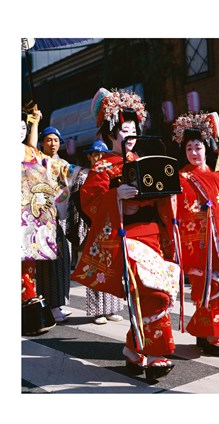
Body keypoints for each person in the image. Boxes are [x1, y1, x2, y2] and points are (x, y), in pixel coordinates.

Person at [72, 88, 180, 380]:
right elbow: (90, 203)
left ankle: (134, 349)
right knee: (151, 292)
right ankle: (157, 351)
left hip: (152, 236)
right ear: (109, 134)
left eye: (133, 130)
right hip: (126, 237)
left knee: (150, 292)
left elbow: (165, 201)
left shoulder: (147, 160)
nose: (129, 136)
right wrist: (116, 196)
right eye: (123, 130)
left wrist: (168, 194)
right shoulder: (103, 167)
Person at [172, 112, 219, 355]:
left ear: (207, 149)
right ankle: (214, 335)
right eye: (189, 148)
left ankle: (205, 333)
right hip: (199, 245)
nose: (194, 153)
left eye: (198, 147)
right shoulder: (181, 178)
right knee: (208, 289)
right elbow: (176, 209)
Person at [28, 126, 86, 322]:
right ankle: (51, 305)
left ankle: (56, 303)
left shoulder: (62, 163)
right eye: (48, 140)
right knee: (48, 263)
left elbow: (76, 179)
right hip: (43, 218)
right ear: (42, 143)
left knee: (61, 260)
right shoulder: (38, 160)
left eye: (55, 140)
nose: (52, 143)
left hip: (61, 218)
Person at [66, 139, 124, 325]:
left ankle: (112, 308)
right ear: (90, 156)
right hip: (93, 223)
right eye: (96, 154)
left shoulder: (112, 170)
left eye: (102, 154)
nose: (99, 157)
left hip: (111, 222)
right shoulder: (84, 175)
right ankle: (97, 311)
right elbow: (79, 204)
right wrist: (85, 224)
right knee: (96, 267)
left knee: (113, 264)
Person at [21, 105, 57, 334]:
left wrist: (34, 123)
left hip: (26, 215)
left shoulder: (29, 152)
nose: (20, 131)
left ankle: (29, 301)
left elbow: (33, 147)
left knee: (27, 262)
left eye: (23, 128)